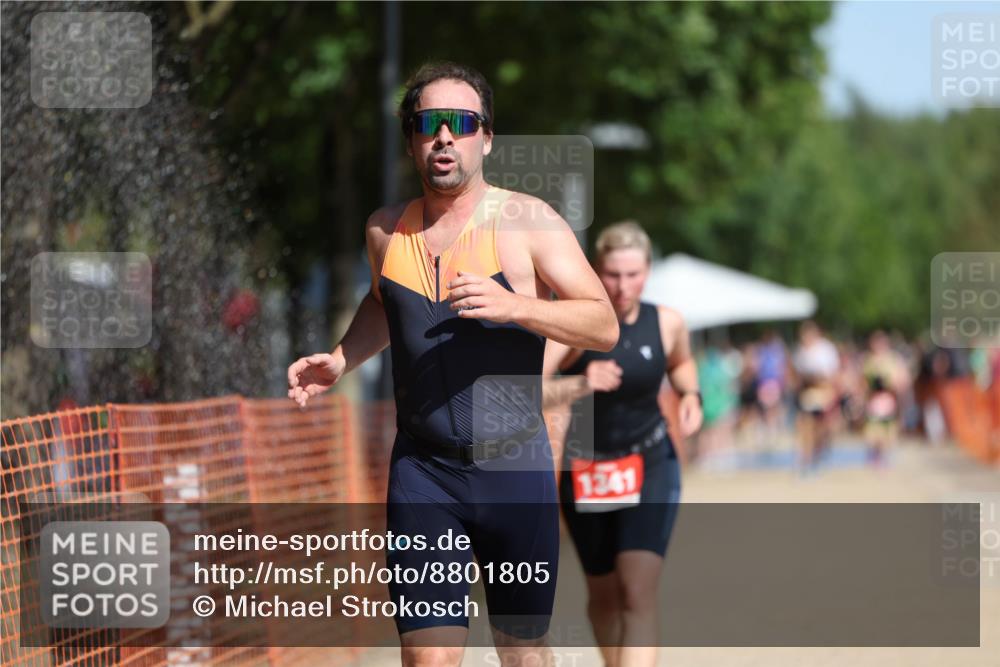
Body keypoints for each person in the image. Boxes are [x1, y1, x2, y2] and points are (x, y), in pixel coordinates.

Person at [287, 61, 618, 667]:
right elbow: (383, 302)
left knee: (521, 652)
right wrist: (340, 358)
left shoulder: (528, 221)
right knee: (429, 659)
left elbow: (602, 322)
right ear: (412, 138)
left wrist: (516, 306)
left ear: (486, 138)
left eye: (461, 123)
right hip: (423, 473)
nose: (445, 137)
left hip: (513, 469)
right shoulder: (385, 231)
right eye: (429, 123)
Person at [542, 221, 702, 667]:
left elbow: (682, 362)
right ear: (596, 270)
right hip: (587, 468)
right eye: (612, 274)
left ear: (648, 271)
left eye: (633, 274)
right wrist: (579, 383)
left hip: (650, 460)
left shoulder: (666, 322)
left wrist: (691, 394)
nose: (623, 286)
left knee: (637, 589)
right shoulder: (574, 326)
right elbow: (524, 392)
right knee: (605, 593)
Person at [792, 321, 840, 472]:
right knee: (805, 425)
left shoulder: (825, 350)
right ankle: (807, 458)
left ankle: (817, 454)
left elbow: (832, 375)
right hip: (807, 394)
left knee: (820, 428)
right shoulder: (801, 352)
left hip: (823, 393)